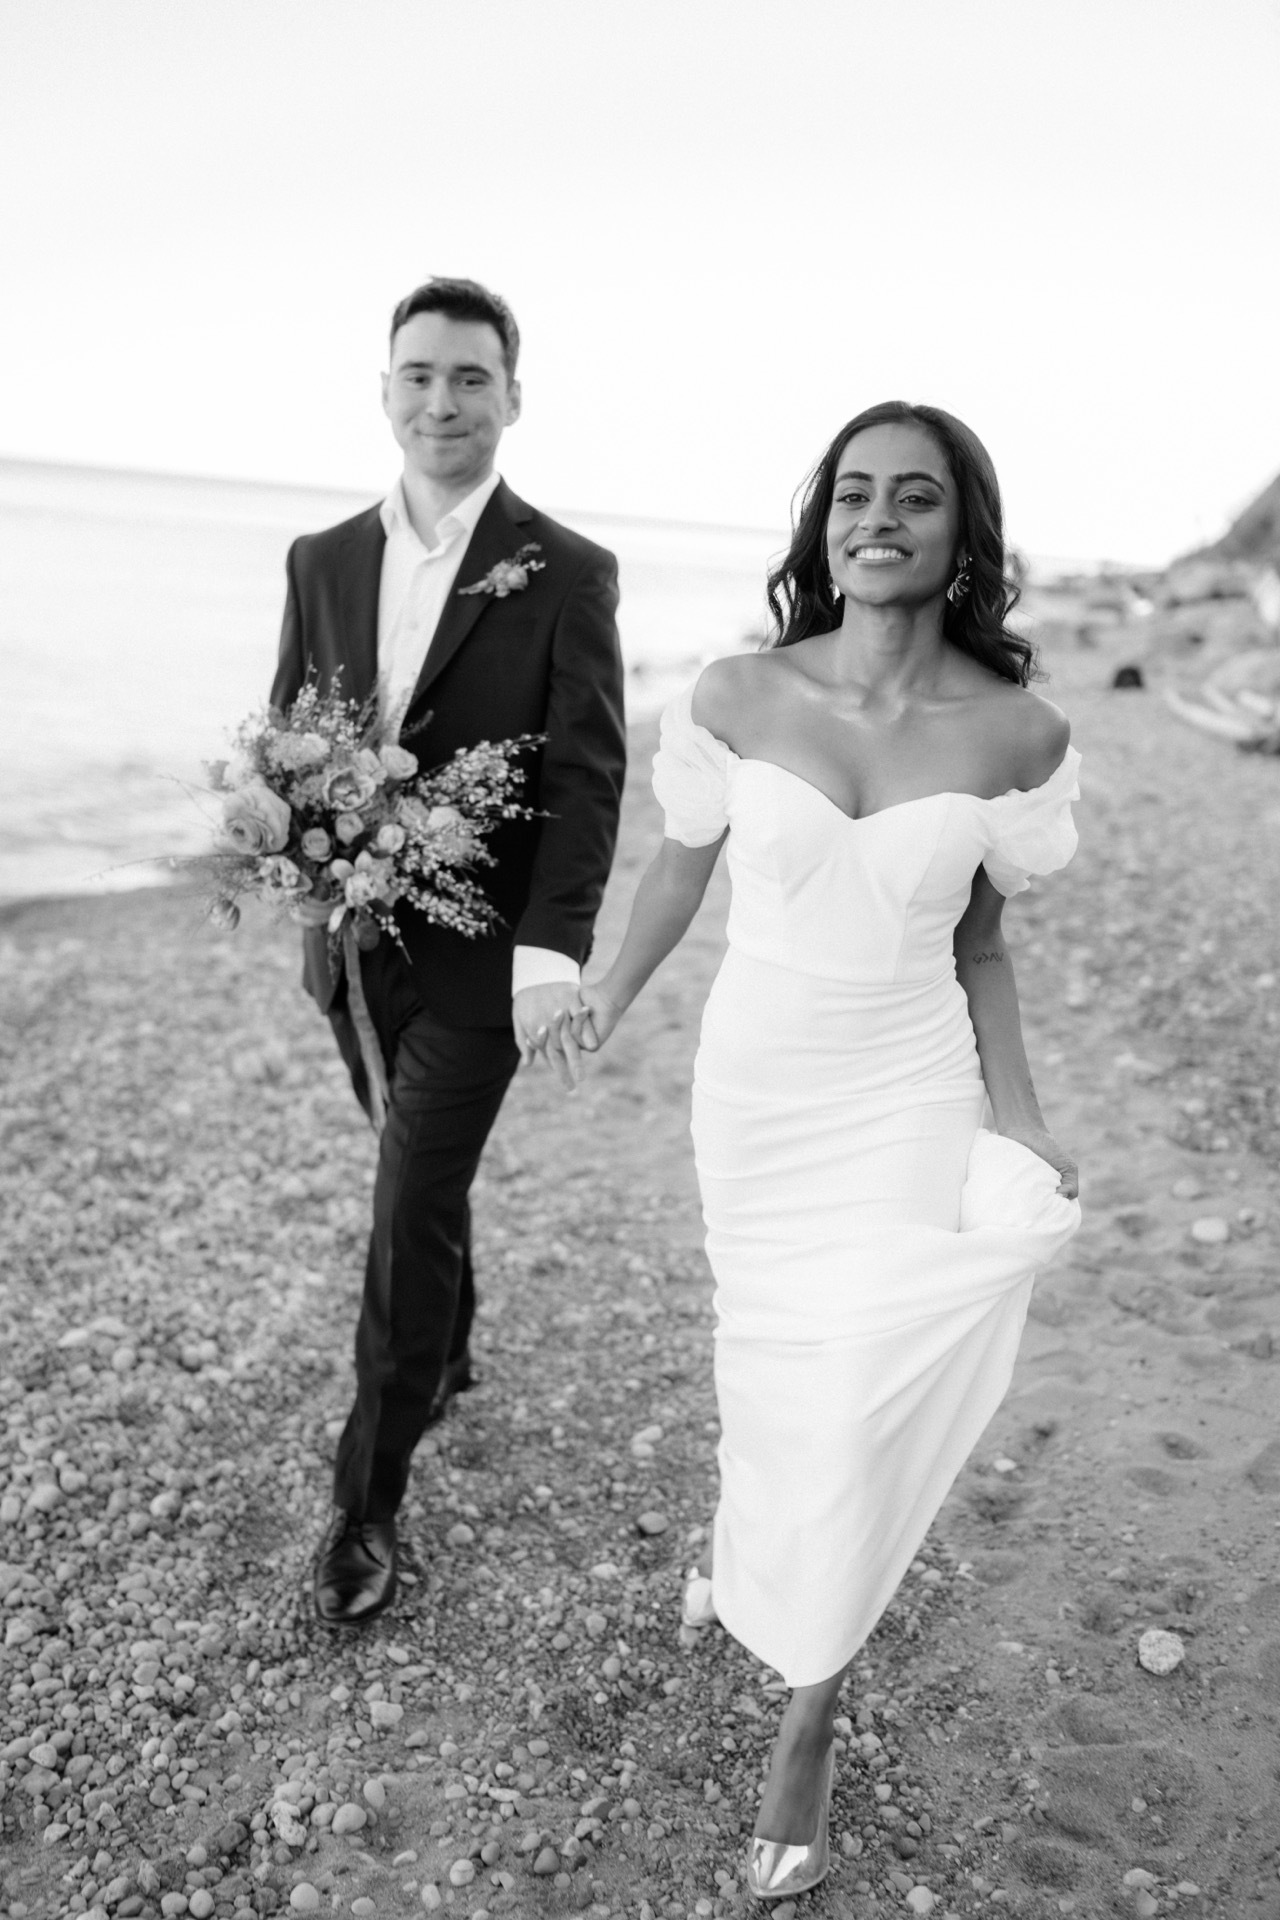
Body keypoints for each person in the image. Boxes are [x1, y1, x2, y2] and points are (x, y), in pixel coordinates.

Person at [572, 402, 1081, 1898]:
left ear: (959, 534)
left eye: (914, 497)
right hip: (763, 1092)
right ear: (824, 525)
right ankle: (747, 1557)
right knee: (773, 1368)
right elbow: (677, 875)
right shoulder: (740, 692)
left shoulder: (1017, 731)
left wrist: (1024, 1112)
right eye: (855, 493)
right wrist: (601, 996)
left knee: (854, 1392)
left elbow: (982, 948)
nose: (880, 517)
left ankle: (811, 1718)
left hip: (907, 1084)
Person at [271, 278, 626, 1626]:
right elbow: (288, 736)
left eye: (469, 378)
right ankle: (456, 1342)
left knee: (404, 1207)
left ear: (511, 399)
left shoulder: (565, 569)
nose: (441, 401)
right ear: (384, 390)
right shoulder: (320, 561)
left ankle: (368, 1500)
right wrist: (303, 890)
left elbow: (591, 773)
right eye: (418, 374)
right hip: (353, 952)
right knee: (412, 1177)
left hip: (486, 965)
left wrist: (555, 950)